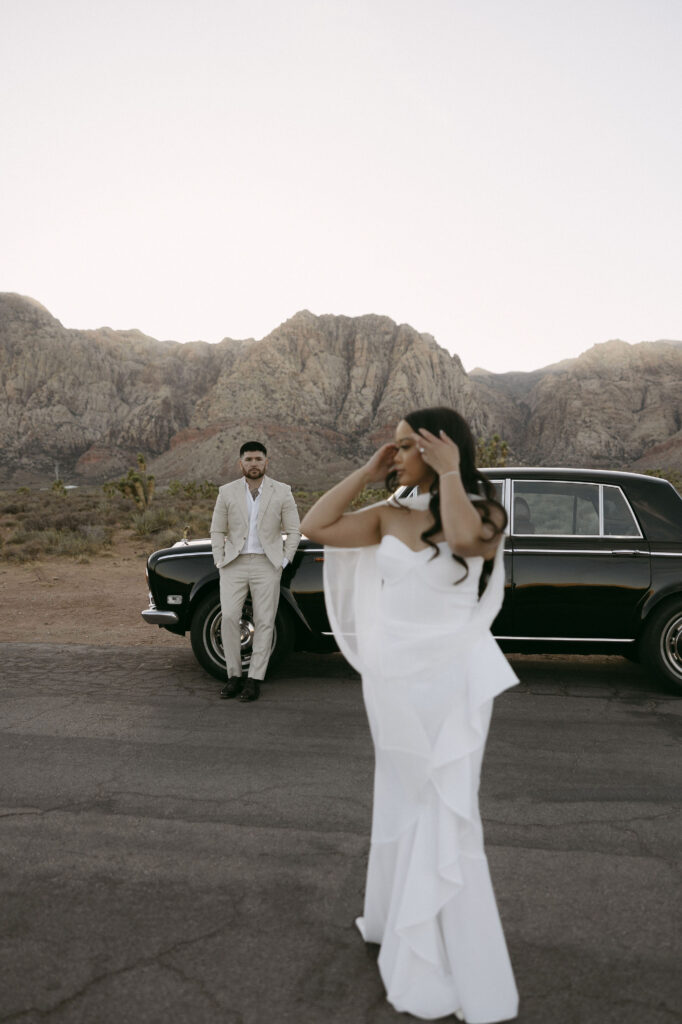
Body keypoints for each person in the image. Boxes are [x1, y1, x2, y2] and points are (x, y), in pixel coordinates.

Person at [301, 407, 519, 1023]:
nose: (394, 455)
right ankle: (398, 919)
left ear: (438, 447)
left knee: (446, 797)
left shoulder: (486, 511)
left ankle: (444, 945)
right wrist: (366, 472)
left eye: (403, 446)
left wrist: (451, 475)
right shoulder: (389, 515)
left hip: (451, 674)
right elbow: (318, 526)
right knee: (401, 796)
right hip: (393, 681)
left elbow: (465, 541)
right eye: (391, 447)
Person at [210, 441, 301, 702]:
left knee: (264, 621)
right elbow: (217, 529)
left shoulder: (282, 491)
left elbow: (294, 530)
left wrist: (283, 561)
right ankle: (234, 676)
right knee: (228, 618)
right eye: (248, 459)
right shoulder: (226, 492)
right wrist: (219, 559)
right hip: (233, 564)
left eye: (258, 459)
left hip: (267, 564)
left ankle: (254, 680)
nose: (253, 464)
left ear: (266, 462)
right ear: (241, 463)